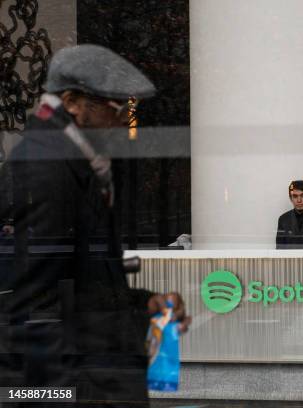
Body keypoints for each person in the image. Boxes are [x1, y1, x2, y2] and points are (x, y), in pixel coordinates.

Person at [0, 44, 191, 407]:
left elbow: (80, 282)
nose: (125, 121)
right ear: (72, 102)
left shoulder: (78, 165)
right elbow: (34, 308)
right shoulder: (46, 170)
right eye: (117, 108)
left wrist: (142, 303)